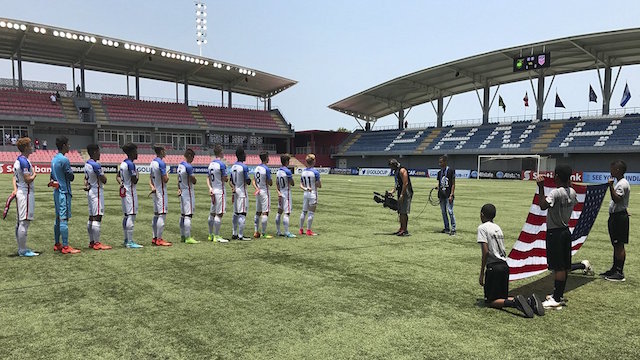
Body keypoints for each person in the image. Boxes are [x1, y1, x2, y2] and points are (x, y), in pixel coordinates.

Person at [477, 203, 543, 318]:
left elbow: (486, 251)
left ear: (482, 215)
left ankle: (515, 303)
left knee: (491, 301)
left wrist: (482, 272)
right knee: (502, 297)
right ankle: (529, 301)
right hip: (504, 265)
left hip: (494, 267)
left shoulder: (482, 228)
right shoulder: (497, 227)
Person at [537, 165, 578, 309]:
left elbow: (543, 206)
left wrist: (541, 187)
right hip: (566, 231)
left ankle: (556, 298)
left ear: (558, 177)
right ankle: (558, 294)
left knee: (559, 267)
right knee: (565, 266)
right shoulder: (572, 192)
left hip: (555, 232)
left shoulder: (555, 193)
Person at [601, 160, 631, 282]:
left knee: (619, 245)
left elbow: (617, 199)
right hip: (616, 217)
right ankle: (614, 269)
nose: (610, 171)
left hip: (619, 217)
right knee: (616, 244)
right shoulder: (620, 183)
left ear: (617, 170)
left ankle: (619, 272)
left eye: (612, 169)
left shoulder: (622, 184)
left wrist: (610, 186)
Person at [51, 136, 81, 254]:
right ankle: (65, 246)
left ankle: (57, 243)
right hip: (64, 191)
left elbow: (52, 177)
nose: (69, 146)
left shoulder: (53, 159)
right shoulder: (64, 160)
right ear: (64, 145)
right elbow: (71, 177)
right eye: (68, 144)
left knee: (58, 218)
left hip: (57, 192)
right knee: (64, 219)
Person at [12, 137, 38, 257]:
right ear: (26, 147)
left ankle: (21, 248)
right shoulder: (24, 161)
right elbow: (28, 179)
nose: (32, 147)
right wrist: (34, 175)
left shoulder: (18, 160)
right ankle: (22, 250)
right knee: (24, 222)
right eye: (30, 145)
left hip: (21, 192)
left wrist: (15, 189)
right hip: (25, 193)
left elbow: (14, 177)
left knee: (20, 221)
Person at [84, 144, 111, 250]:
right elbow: (104, 180)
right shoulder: (96, 165)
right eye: (99, 151)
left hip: (91, 191)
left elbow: (86, 178)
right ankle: (96, 243)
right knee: (97, 216)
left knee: (91, 216)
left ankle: (92, 241)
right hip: (97, 191)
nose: (100, 153)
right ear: (95, 152)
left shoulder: (87, 164)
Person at [117, 143, 143, 248]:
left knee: (126, 215)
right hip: (130, 192)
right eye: (136, 151)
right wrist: (137, 175)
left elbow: (117, 176)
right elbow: (134, 180)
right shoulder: (131, 164)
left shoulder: (123, 163)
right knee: (131, 215)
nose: (137, 154)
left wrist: (121, 183)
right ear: (132, 152)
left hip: (124, 191)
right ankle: (130, 241)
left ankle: (126, 239)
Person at [149, 146, 172, 246]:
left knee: (156, 215)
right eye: (164, 151)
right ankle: (159, 238)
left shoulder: (152, 163)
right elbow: (165, 180)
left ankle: (154, 237)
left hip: (155, 190)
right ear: (161, 151)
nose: (165, 153)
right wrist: (168, 175)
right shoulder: (161, 163)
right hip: (161, 192)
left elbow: (150, 178)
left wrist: (152, 186)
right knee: (162, 215)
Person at [207, 144, 229, 243]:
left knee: (212, 213)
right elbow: (225, 178)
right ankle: (216, 236)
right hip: (220, 190)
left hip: (213, 190)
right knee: (219, 214)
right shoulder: (221, 164)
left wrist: (210, 188)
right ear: (221, 152)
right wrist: (226, 178)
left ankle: (210, 234)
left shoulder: (211, 164)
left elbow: (208, 177)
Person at [229, 147, 252, 240]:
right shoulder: (243, 167)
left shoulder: (233, 167)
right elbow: (248, 181)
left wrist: (233, 187)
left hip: (235, 191)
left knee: (235, 213)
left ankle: (234, 233)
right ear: (242, 155)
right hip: (242, 192)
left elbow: (230, 181)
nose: (246, 155)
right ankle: (241, 235)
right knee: (242, 213)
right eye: (245, 154)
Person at [178, 148, 198, 244]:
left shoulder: (180, 166)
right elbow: (193, 180)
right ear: (189, 156)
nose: (193, 159)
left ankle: (182, 236)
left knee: (182, 215)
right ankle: (188, 237)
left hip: (182, 191)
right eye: (192, 157)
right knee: (188, 215)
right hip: (188, 192)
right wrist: (195, 179)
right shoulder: (188, 166)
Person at [389, 158, 412, 236]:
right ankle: (401, 228)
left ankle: (404, 230)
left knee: (403, 212)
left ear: (394, 165)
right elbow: (398, 184)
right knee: (400, 211)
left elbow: (405, 183)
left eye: (391, 166)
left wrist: (402, 195)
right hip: (401, 191)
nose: (391, 168)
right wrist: (392, 191)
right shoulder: (396, 171)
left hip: (406, 192)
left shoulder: (402, 170)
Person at [299, 153, 321, 236]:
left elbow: (301, 184)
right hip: (312, 194)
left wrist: (305, 188)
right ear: (313, 161)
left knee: (303, 212)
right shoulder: (315, 172)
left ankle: (301, 229)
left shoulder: (303, 172)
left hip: (305, 193)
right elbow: (319, 185)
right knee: (311, 213)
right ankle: (308, 230)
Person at [253, 151, 273, 239]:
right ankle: (264, 233)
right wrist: (270, 181)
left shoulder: (256, 168)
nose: (269, 158)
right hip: (264, 191)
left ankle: (256, 231)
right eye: (268, 157)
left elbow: (253, 180)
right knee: (265, 212)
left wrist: (256, 188)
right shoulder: (266, 169)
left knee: (258, 212)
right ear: (266, 158)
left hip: (258, 191)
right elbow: (270, 182)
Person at [275, 154, 296, 238]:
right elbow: (292, 183)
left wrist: (278, 192)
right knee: (287, 213)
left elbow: (277, 183)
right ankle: (287, 232)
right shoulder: (287, 171)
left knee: (279, 212)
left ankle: (278, 231)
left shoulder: (278, 171)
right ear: (287, 162)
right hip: (286, 194)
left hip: (280, 193)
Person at [437, 155, 456, 236]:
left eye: (441, 162)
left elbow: (453, 184)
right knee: (443, 212)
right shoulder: (439, 172)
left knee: (450, 211)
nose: (439, 164)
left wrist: (452, 194)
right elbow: (439, 183)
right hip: (442, 195)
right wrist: (437, 187)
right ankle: (446, 228)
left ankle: (453, 228)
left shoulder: (451, 171)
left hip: (448, 195)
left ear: (445, 162)